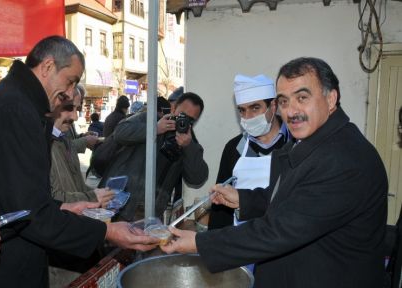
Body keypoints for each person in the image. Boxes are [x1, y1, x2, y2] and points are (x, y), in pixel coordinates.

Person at [161, 57, 388, 288]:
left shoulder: (342, 158)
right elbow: (292, 197)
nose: (291, 111)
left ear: (331, 99)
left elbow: (281, 229)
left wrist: (201, 243)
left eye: (302, 98)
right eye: (285, 101)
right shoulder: (314, 142)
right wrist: (243, 199)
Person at [0, 35, 157, 288]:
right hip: (4, 268)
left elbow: (19, 195)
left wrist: (62, 208)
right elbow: (30, 215)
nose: (70, 94)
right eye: (70, 81)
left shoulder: (15, 103)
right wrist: (108, 232)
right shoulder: (14, 110)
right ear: (47, 67)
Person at [99, 92, 209, 221]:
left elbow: (197, 179)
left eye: (191, 120)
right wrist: (154, 129)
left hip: (148, 213)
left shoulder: (189, 142)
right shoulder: (150, 119)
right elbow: (119, 133)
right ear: (173, 108)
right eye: (182, 115)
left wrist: (188, 147)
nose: (184, 121)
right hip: (116, 201)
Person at [209, 74, 291, 229]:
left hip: (285, 237)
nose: (247, 117)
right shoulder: (234, 148)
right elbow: (220, 209)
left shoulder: (295, 143)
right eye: (242, 110)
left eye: (255, 108)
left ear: (273, 106)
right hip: (241, 241)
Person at [51, 87, 114, 206]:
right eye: (70, 108)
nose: (75, 117)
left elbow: (77, 185)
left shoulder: (64, 139)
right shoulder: (40, 145)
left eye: (77, 108)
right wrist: (93, 197)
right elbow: (52, 199)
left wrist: (101, 195)